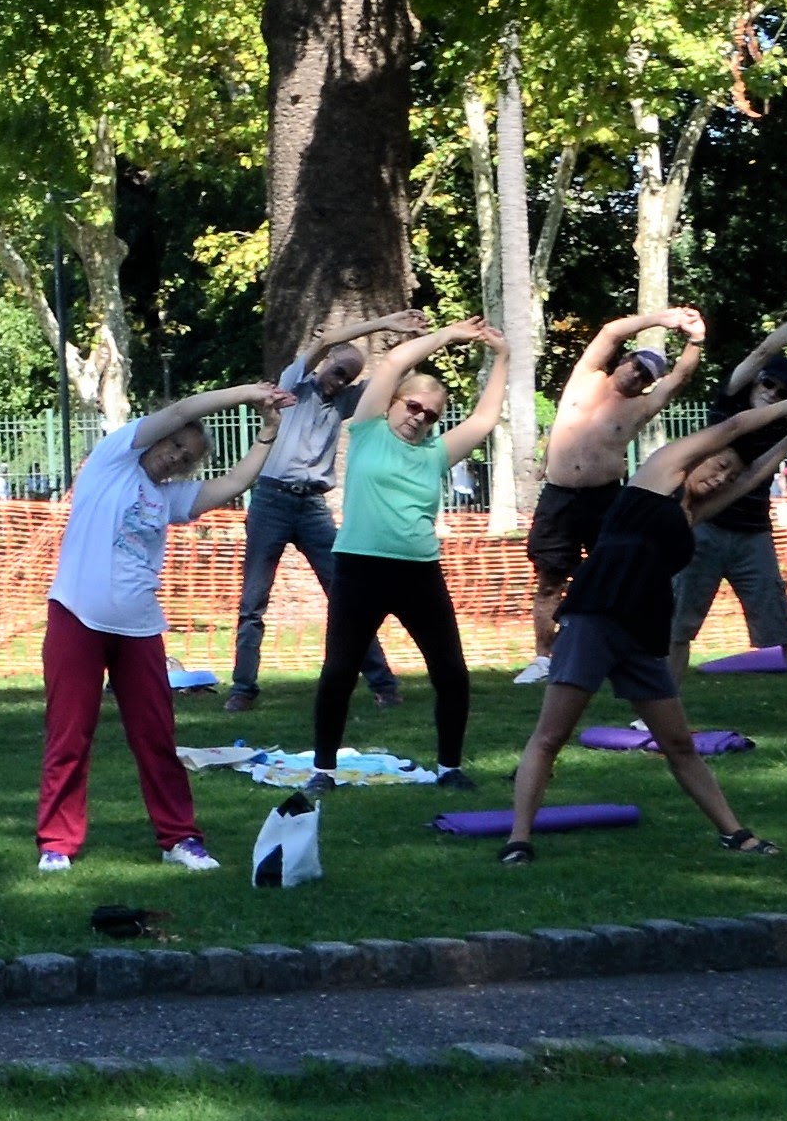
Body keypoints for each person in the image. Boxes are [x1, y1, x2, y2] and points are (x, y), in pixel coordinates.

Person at [495, 392, 787, 865]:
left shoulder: (691, 514)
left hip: (642, 630)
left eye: (728, 475)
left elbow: (754, 477)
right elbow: (734, 424)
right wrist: (783, 409)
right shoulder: (658, 473)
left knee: (679, 742)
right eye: (718, 465)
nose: (720, 476)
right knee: (550, 736)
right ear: (699, 456)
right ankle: (519, 841)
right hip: (596, 615)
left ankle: (735, 833)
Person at [42, 378, 283, 873]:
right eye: (175, 444)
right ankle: (57, 843)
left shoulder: (167, 498)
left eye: (188, 456)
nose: (177, 457)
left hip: (139, 629)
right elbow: (185, 408)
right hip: (76, 617)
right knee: (70, 735)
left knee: (156, 738)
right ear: (156, 437)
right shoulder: (114, 460)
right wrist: (246, 394)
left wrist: (267, 435)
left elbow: (234, 485)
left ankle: (180, 838)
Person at [310, 320, 508, 785]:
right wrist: (451, 334)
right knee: (339, 671)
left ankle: (450, 767)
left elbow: (483, 419)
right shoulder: (367, 431)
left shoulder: (436, 452)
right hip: (359, 569)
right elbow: (397, 360)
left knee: (452, 674)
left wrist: (502, 357)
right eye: (412, 405)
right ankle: (323, 768)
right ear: (394, 402)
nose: (418, 416)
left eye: (431, 414)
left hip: (419, 572)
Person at [668, 287, 787, 740]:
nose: (771, 392)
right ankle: (661, 713)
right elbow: (764, 349)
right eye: (767, 383)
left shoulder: (786, 418)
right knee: (678, 628)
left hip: (752, 535)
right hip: (704, 529)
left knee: (783, 626)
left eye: (782, 391)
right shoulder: (730, 400)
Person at [227, 309, 425, 713]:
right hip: (271, 499)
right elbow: (322, 343)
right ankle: (243, 689)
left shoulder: (347, 400)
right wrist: (385, 323)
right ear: (325, 365)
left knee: (348, 595)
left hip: (313, 506)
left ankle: (383, 684)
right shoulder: (292, 385)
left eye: (349, 378)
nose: (340, 382)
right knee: (253, 601)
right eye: (337, 371)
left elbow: (395, 381)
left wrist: (414, 343)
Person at [524, 307, 706, 660]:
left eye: (645, 377)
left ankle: (609, 649)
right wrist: (661, 319)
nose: (636, 376)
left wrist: (696, 338)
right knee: (550, 580)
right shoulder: (586, 377)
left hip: (604, 500)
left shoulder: (640, 407)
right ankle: (543, 658)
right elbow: (609, 332)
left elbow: (681, 376)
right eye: (635, 366)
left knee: (613, 574)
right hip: (559, 496)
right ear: (624, 360)